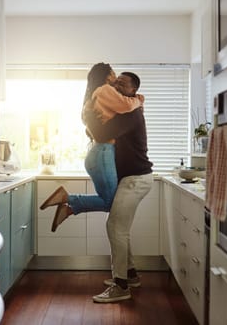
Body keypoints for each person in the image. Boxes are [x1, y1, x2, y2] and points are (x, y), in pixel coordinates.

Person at [39, 63, 144, 232]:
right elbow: (125, 105)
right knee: (111, 203)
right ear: (107, 75)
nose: (116, 78)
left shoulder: (95, 96)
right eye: (114, 74)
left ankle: (70, 208)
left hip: (99, 154)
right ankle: (67, 199)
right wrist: (138, 100)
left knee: (110, 202)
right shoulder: (104, 90)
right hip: (103, 153)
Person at [84, 72, 154, 303]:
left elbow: (102, 133)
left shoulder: (131, 113)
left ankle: (121, 285)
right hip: (132, 178)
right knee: (120, 227)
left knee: (115, 226)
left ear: (133, 91)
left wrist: (89, 117)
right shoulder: (122, 111)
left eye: (123, 83)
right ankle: (130, 275)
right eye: (116, 81)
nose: (117, 84)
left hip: (136, 179)